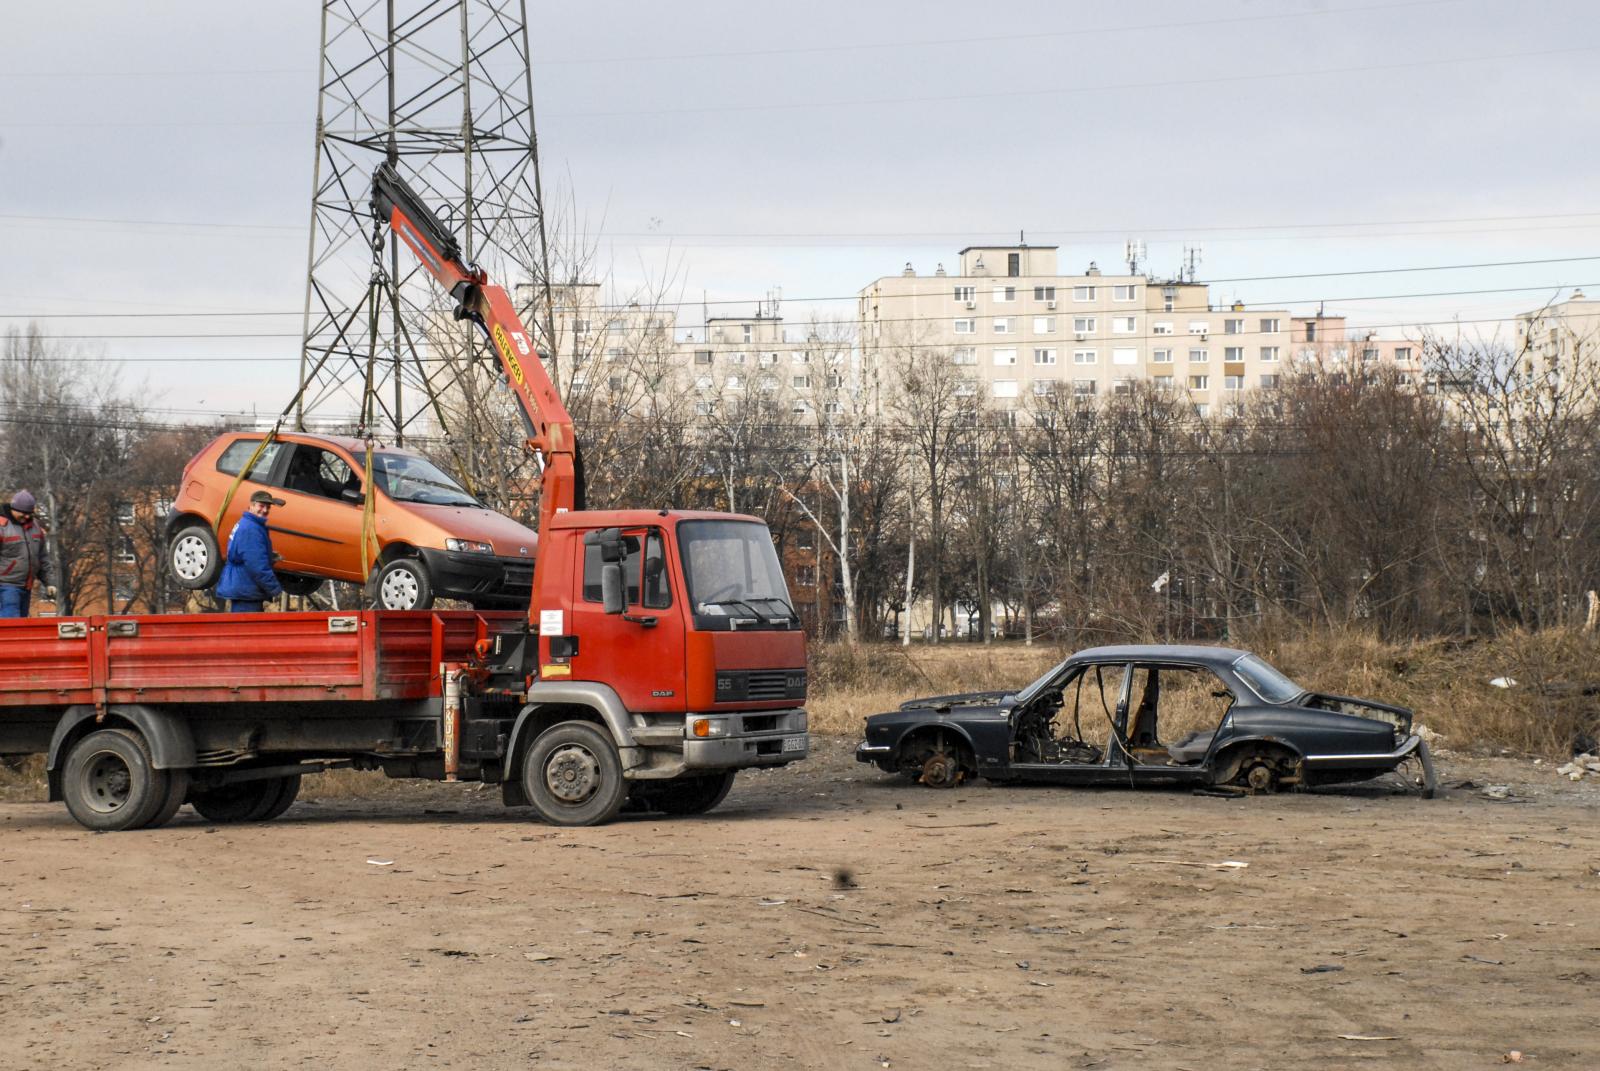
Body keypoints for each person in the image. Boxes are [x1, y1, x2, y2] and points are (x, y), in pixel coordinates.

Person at [215, 489, 285, 612]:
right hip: (246, 591)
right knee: (246, 629)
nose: (265, 510)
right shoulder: (251, 529)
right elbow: (257, 565)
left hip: (243, 588)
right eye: (261, 506)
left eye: (268, 507)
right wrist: (274, 588)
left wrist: (269, 556)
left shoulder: (247, 523)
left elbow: (246, 553)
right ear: (251, 506)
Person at [0, 490, 53, 619]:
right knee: (11, 623)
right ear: (14, 509)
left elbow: (42, 558)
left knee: (22, 625)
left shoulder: (35, 528)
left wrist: (50, 582)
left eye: (29, 513)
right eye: (23, 513)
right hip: (6, 586)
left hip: (26, 586)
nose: (27, 517)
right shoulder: (2, 527)